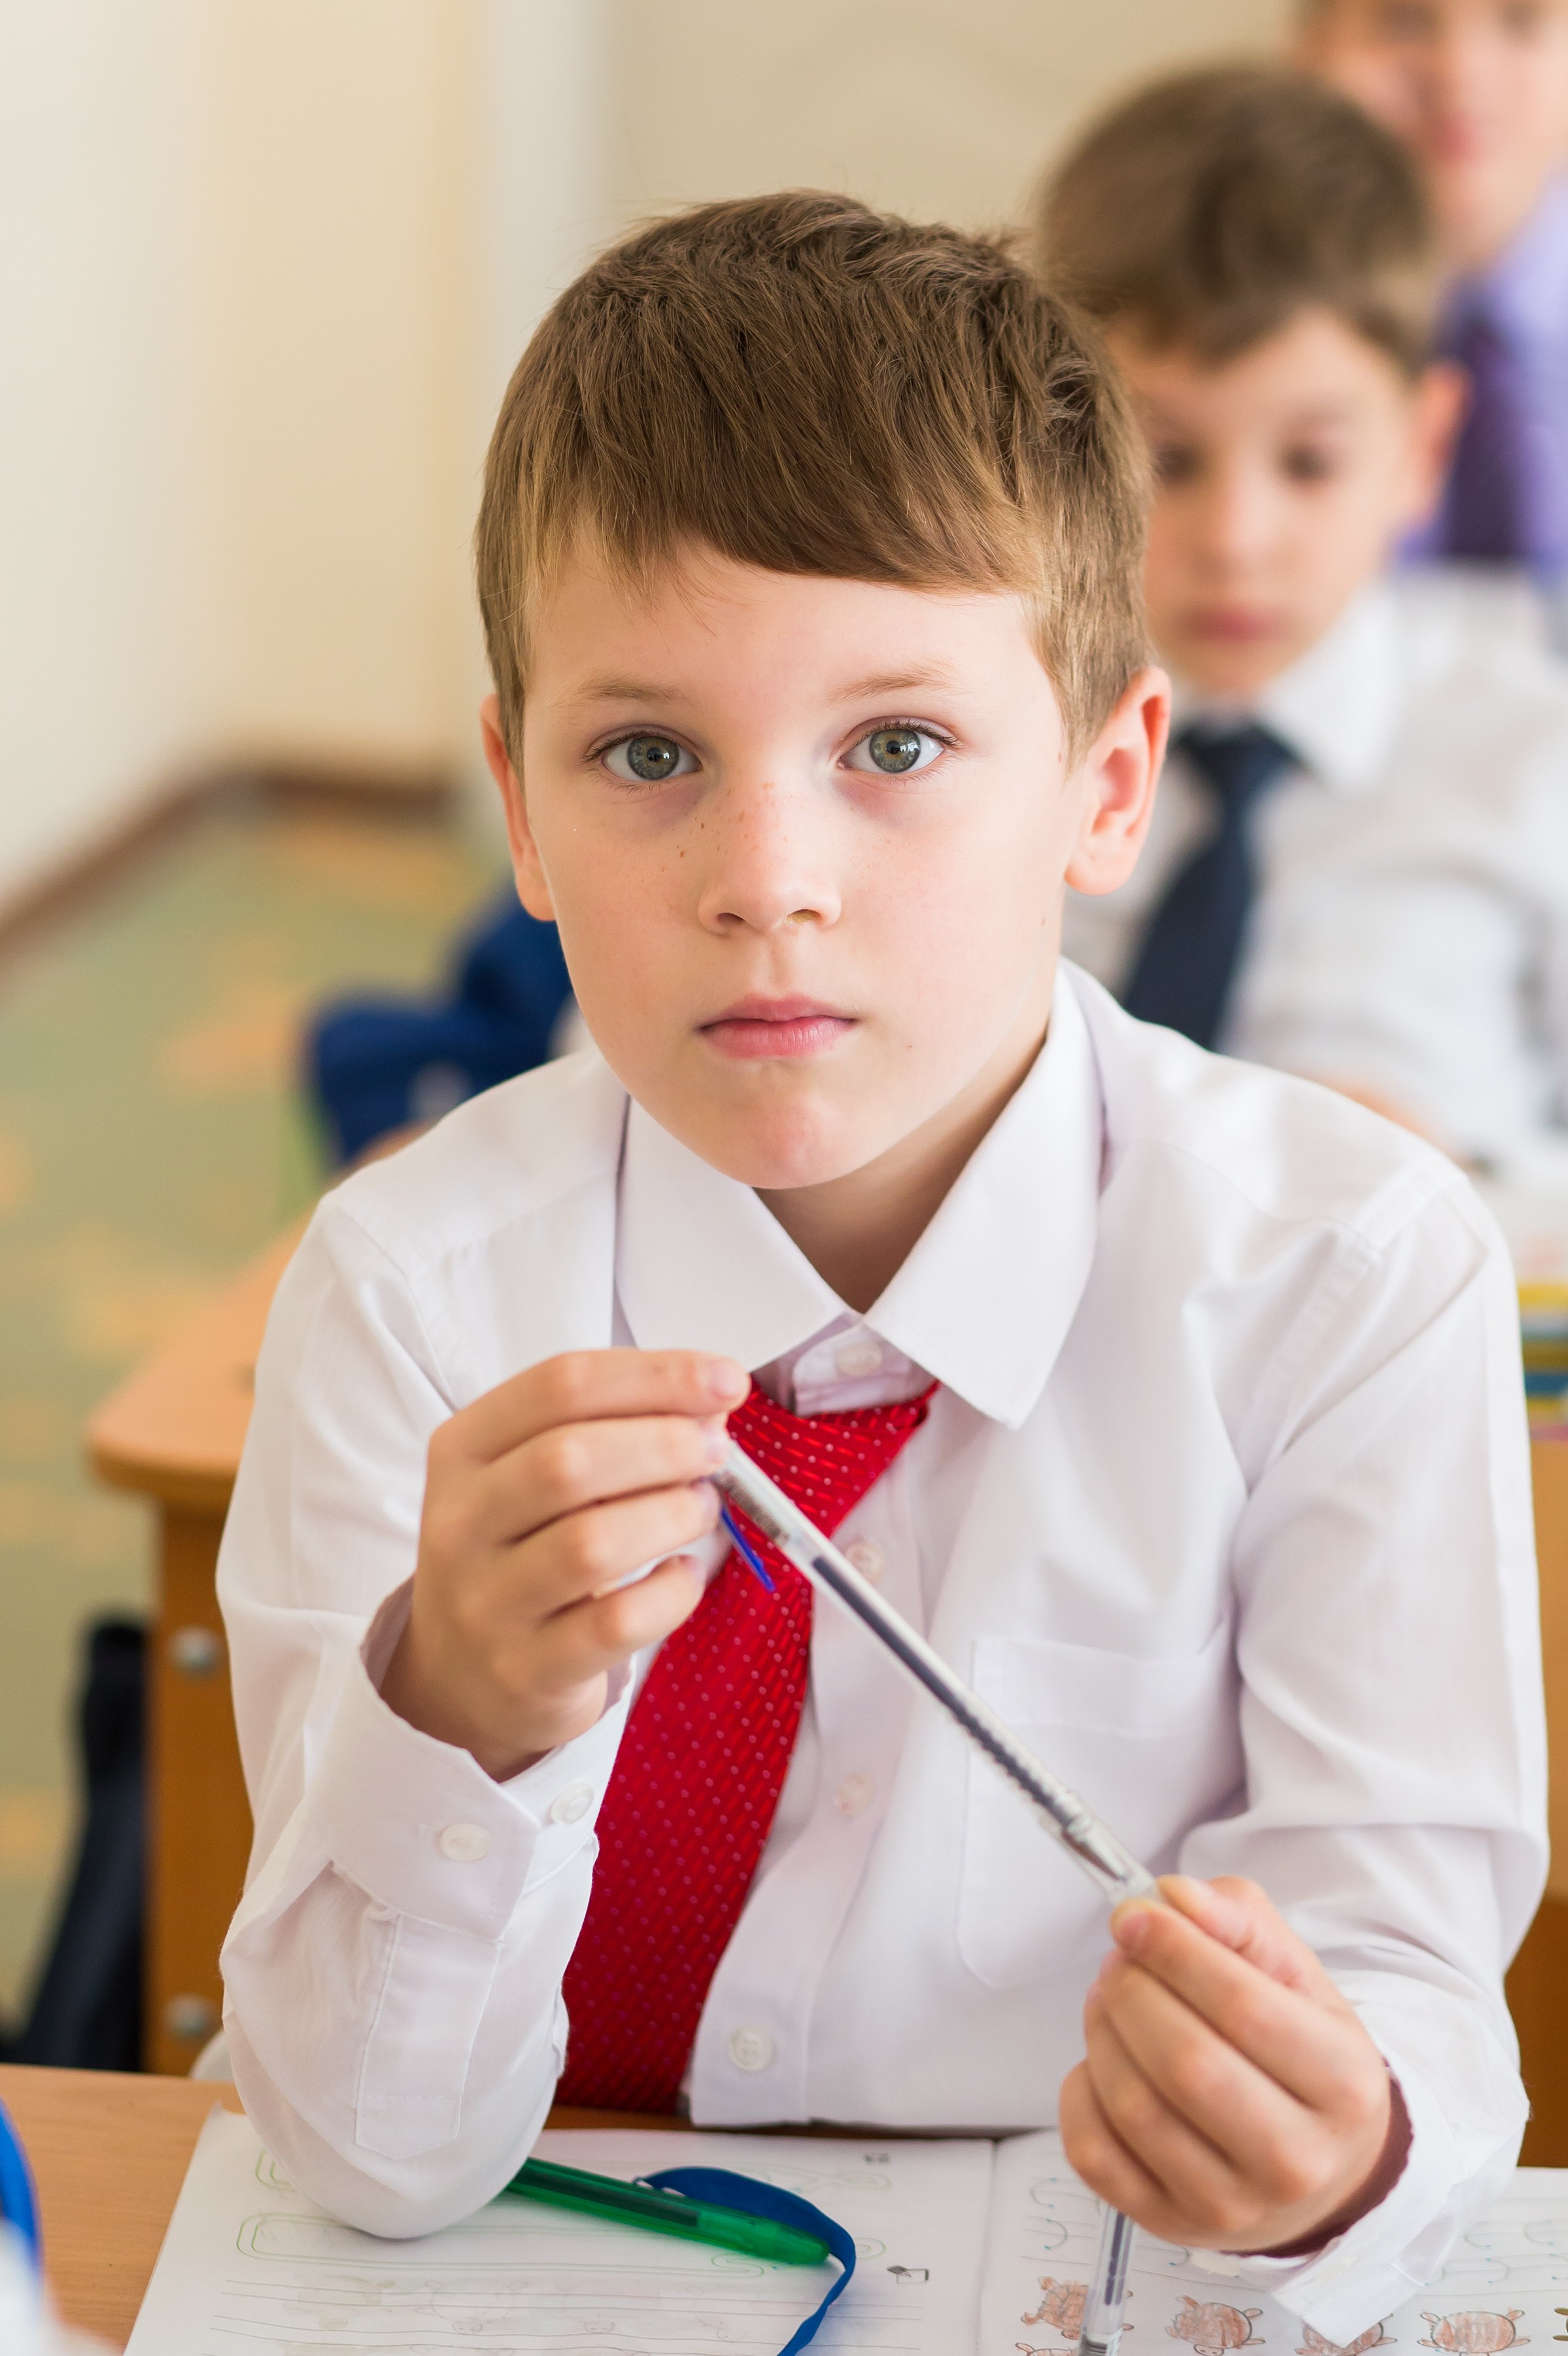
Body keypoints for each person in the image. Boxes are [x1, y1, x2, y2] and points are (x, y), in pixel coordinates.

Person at [216, 193, 1542, 2337]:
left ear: (1106, 782)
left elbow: (1399, 1987)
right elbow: (362, 2159)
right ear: (520, 811)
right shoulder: (412, 1289)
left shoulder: (1348, 1277)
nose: (767, 883)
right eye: (647, 756)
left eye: (895, 749)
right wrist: (454, 1712)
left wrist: (1337, 2148)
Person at [1041, 63, 1568, 1178]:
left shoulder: (1531, 754)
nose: (1234, 535)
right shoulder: (985, 743)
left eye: (1310, 462)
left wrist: (1461, 1185)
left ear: (1422, 449)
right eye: (1166, 458)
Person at [1300, 0, 1568, 580]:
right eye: (1403, 20)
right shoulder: (1213, 310)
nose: (1462, 72)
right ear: (1310, 46)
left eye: (1521, 19)